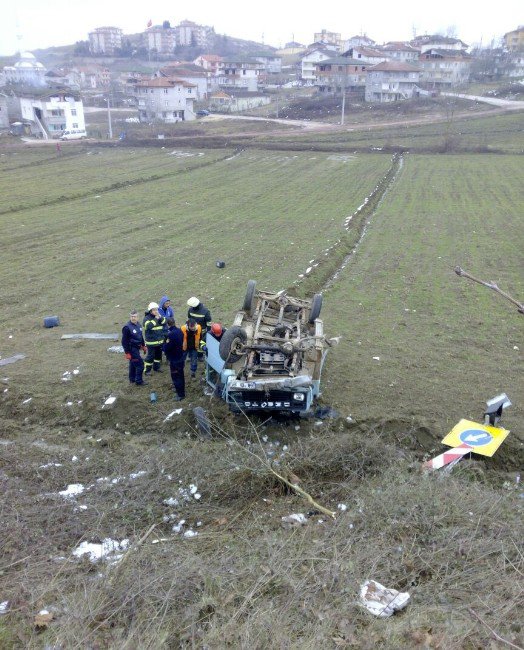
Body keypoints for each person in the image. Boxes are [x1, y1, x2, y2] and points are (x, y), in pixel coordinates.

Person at [121, 310, 147, 385]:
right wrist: (127, 353)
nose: (133, 318)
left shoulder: (138, 325)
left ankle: (132, 379)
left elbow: (140, 336)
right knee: (140, 364)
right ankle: (139, 381)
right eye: (132, 316)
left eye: (135, 316)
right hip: (132, 349)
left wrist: (143, 345)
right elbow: (124, 341)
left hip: (137, 348)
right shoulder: (127, 328)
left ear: (138, 317)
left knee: (133, 364)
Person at [163, 318, 185, 401]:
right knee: (181, 375)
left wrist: (164, 344)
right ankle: (180, 390)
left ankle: (180, 394)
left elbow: (167, 348)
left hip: (174, 359)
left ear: (168, 325)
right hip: (180, 357)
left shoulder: (170, 335)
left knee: (176, 377)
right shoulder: (180, 331)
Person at [143, 302, 166, 374]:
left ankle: (156, 367)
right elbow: (148, 326)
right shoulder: (146, 318)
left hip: (159, 341)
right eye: (154, 310)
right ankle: (147, 370)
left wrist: (160, 317)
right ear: (150, 311)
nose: (156, 311)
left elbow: (164, 322)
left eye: (157, 310)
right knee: (150, 356)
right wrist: (156, 319)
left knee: (158, 356)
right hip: (151, 343)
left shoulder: (159, 316)